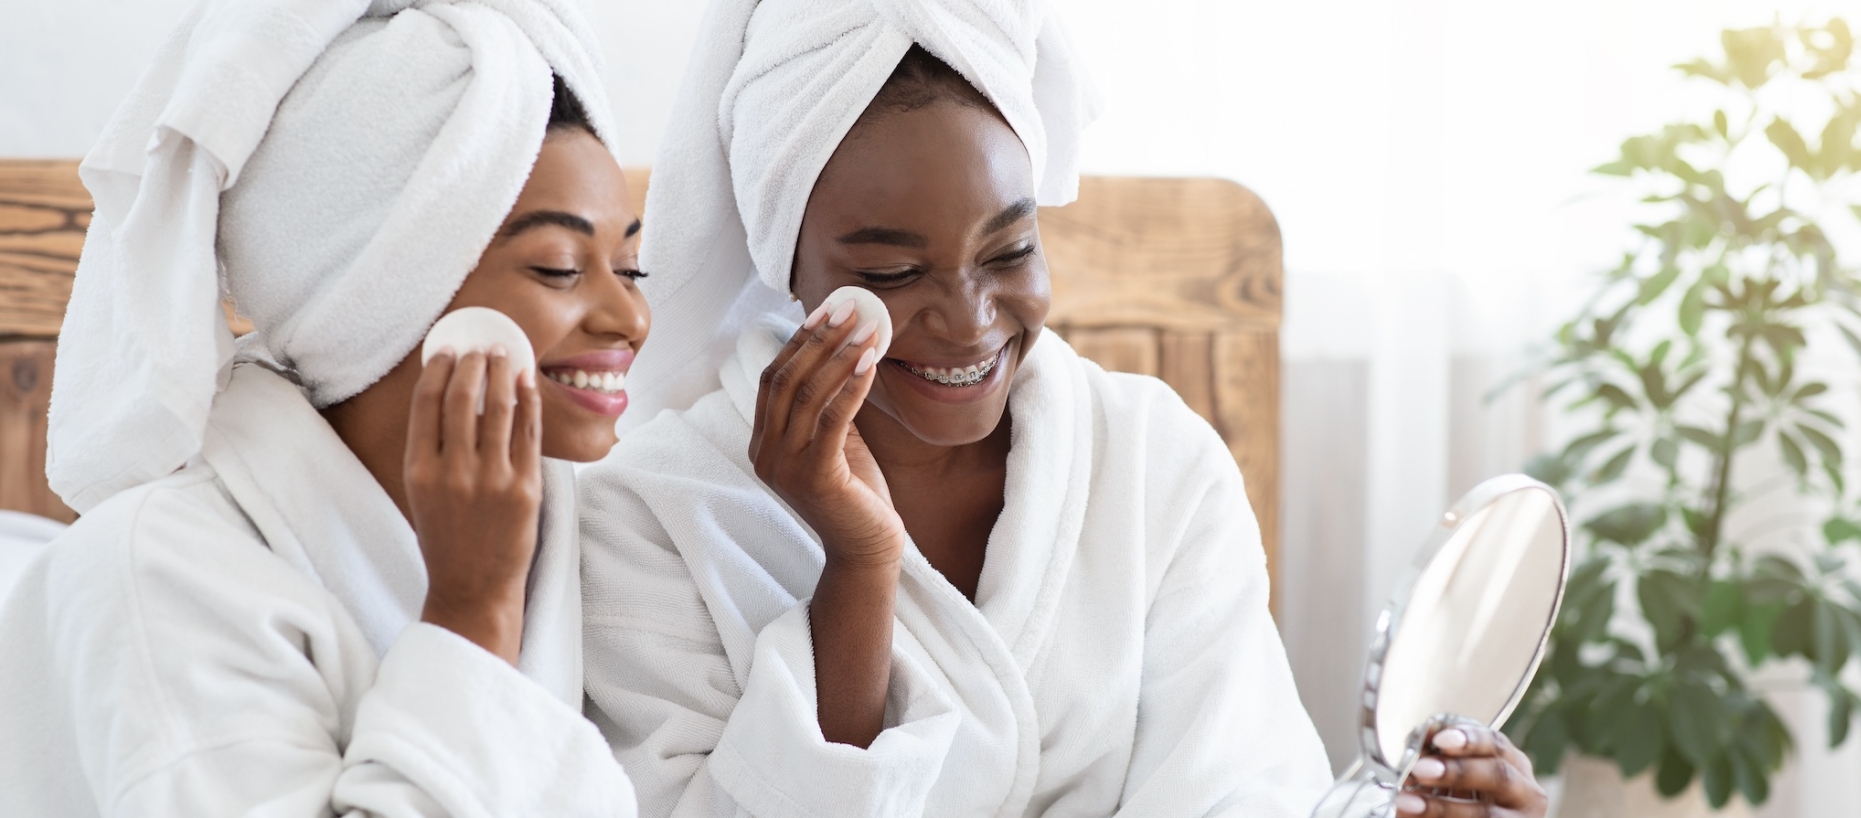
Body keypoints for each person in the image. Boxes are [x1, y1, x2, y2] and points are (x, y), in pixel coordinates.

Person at [583, 1, 1552, 816]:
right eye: (892, 271)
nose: (969, 321)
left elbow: (1238, 790)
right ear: (785, 264)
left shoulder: (1153, 463)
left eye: (1009, 251)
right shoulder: (652, 513)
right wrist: (860, 565)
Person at [0, 1, 646, 814]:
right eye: (558, 267)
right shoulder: (150, 577)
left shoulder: (583, 537)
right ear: (378, 293)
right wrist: (471, 612)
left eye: (632, 267)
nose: (632, 320)